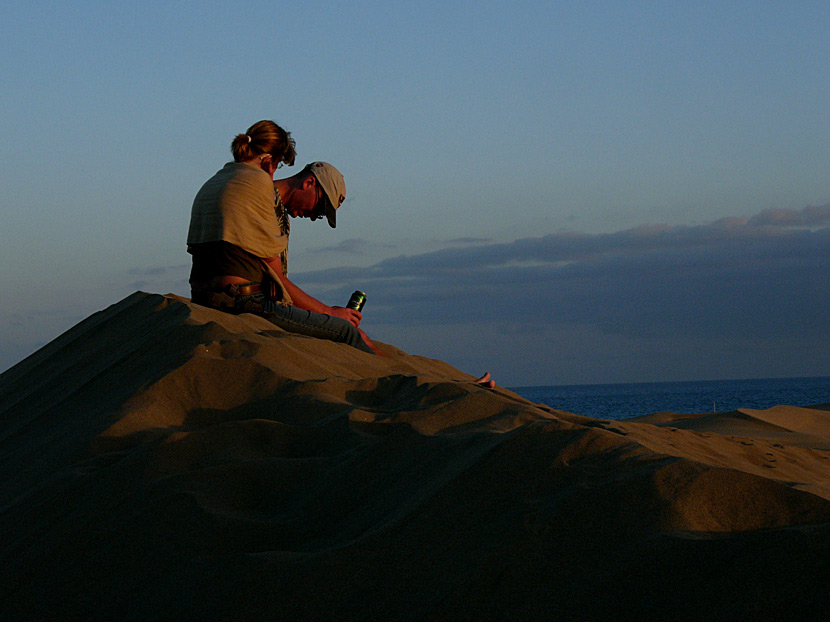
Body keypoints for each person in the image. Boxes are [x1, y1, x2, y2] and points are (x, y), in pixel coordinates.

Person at [187, 120, 381, 354]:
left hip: (202, 297)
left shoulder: (216, 181)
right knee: (346, 332)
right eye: (320, 208)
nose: (313, 217)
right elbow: (279, 281)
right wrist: (331, 314)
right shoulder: (259, 185)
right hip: (241, 301)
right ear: (270, 161)